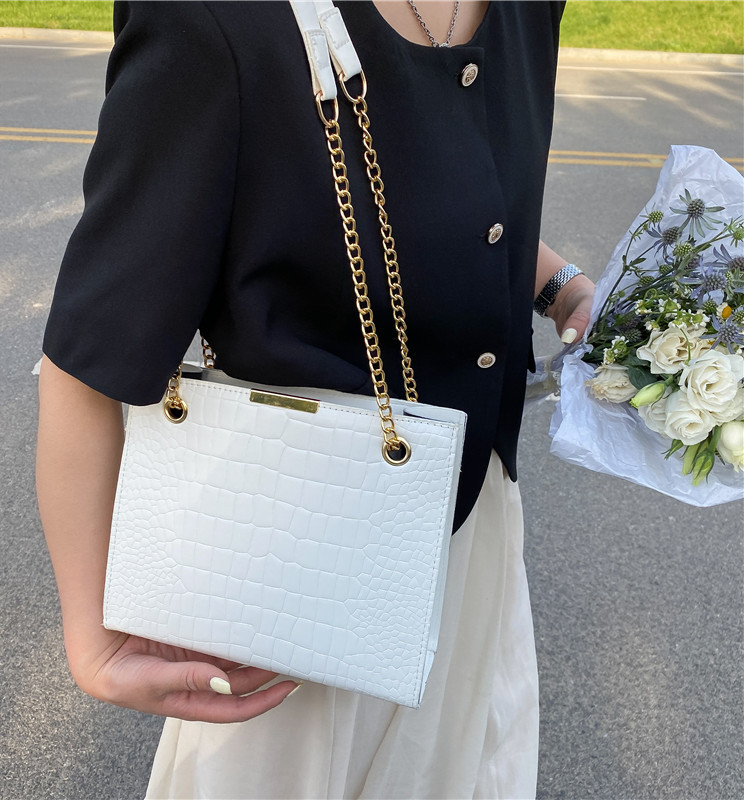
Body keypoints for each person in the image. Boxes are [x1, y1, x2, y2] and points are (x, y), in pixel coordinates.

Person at [37, 2, 595, 797]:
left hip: (473, 529)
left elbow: (441, 172)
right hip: (296, 570)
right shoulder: (218, 19)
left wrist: (559, 285)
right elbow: (94, 351)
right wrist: (94, 634)